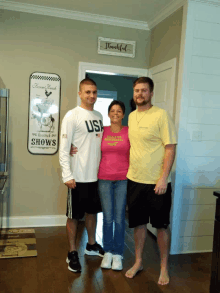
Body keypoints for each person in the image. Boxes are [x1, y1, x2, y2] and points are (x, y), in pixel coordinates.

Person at [125, 77, 177, 285]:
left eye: (144, 91)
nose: (140, 94)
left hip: (158, 183)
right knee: (138, 224)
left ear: (151, 93)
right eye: (137, 90)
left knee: (161, 226)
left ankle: (164, 267)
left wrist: (163, 178)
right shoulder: (131, 117)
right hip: (134, 179)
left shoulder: (161, 115)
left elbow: (170, 147)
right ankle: (138, 261)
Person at [59, 78, 105, 273]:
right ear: (80, 93)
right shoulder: (72, 116)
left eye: (94, 92)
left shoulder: (99, 115)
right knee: (73, 216)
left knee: (92, 213)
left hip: (95, 176)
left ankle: (91, 244)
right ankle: (72, 252)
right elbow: (63, 148)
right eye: (87, 92)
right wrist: (67, 175)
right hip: (76, 178)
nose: (91, 96)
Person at [98, 100, 130, 271]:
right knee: (107, 218)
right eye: (112, 111)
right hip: (104, 178)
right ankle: (107, 252)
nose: (115, 113)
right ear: (108, 113)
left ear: (123, 114)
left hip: (123, 179)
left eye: (119, 111)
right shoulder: (102, 131)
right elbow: (88, 145)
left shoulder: (129, 132)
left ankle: (118, 254)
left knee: (119, 218)